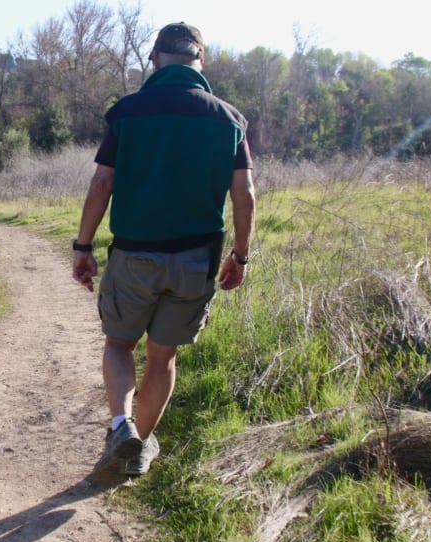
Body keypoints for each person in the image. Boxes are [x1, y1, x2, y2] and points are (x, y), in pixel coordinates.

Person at [72, 22, 256, 483]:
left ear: (155, 59)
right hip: (197, 260)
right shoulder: (228, 118)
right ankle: (135, 451)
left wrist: (83, 245)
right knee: (163, 357)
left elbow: (102, 183)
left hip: (135, 255)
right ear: (202, 60)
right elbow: (245, 194)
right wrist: (241, 255)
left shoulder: (128, 112)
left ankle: (122, 427)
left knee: (119, 344)